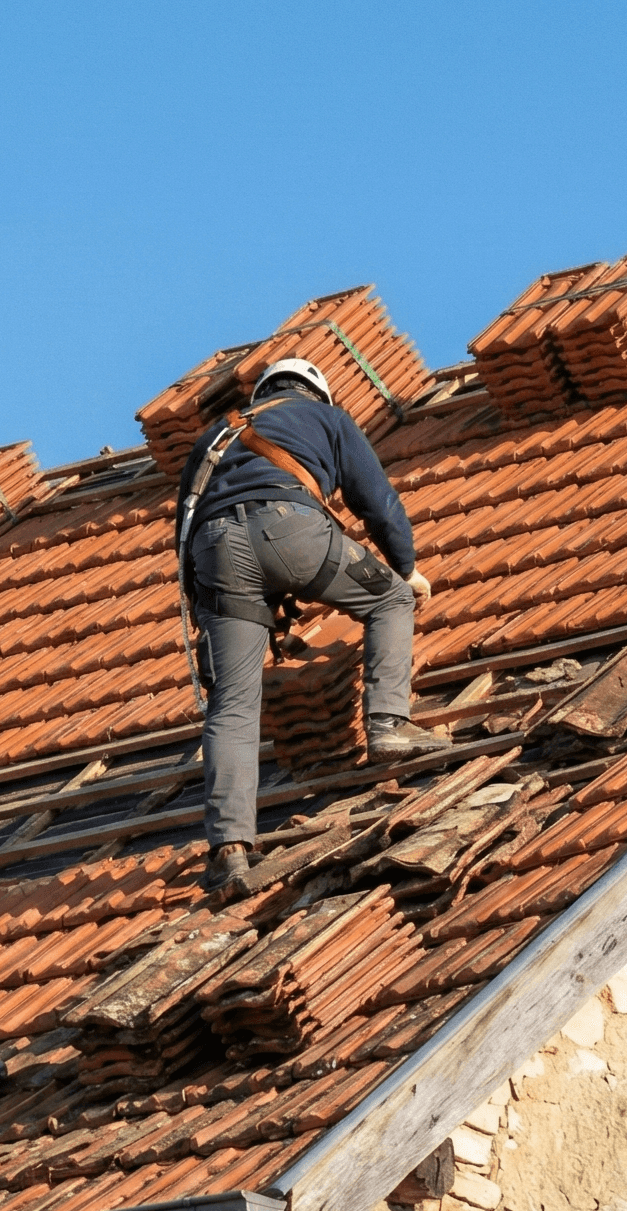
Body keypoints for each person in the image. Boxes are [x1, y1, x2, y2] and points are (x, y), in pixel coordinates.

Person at [176, 357, 448, 900]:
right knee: (391, 600)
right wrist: (406, 565)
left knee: (232, 702)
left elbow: (184, 528)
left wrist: (211, 616)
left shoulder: (213, 438)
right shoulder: (328, 419)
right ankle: (390, 725)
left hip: (214, 556)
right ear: (313, 394)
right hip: (289, 527)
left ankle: (229, 849)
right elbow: (378, 502)